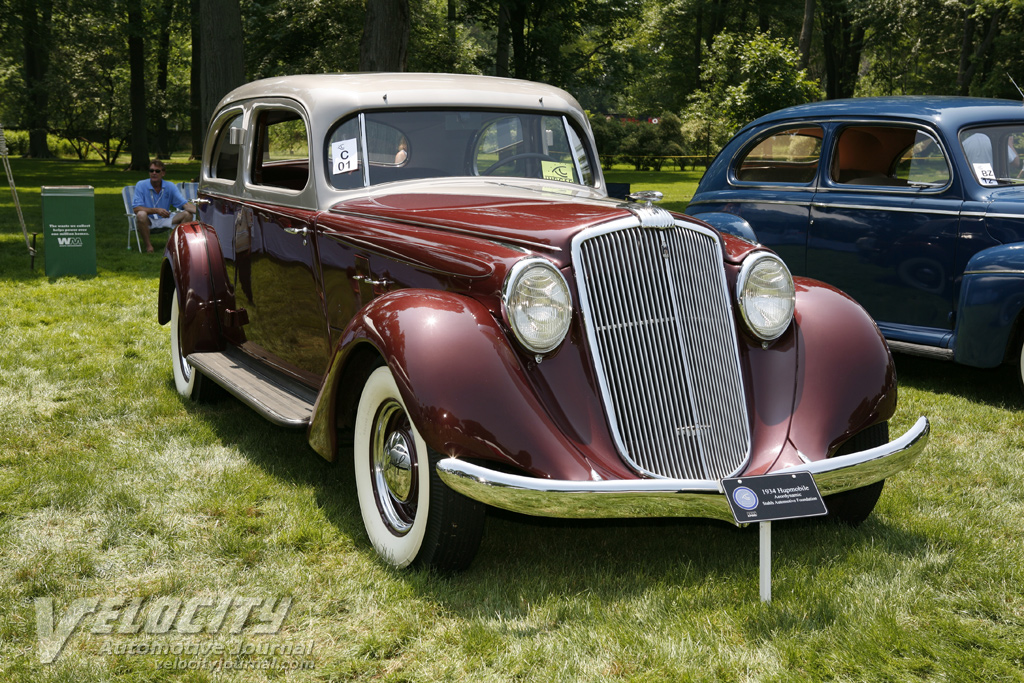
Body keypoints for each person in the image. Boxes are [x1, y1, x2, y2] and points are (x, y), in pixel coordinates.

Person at [131, 159, 195, 252]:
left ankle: (173, 243)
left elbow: (185, 204)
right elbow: (136, 208)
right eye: (151, 170)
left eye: (157, 171)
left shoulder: (170, 186)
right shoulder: (141, 185)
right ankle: (149, 247)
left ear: (163, 173)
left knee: (188, 214)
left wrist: (202, 211)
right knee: (141, 214)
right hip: (148, 220)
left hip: (165, 218)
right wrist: (156, 210)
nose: (154, 173)